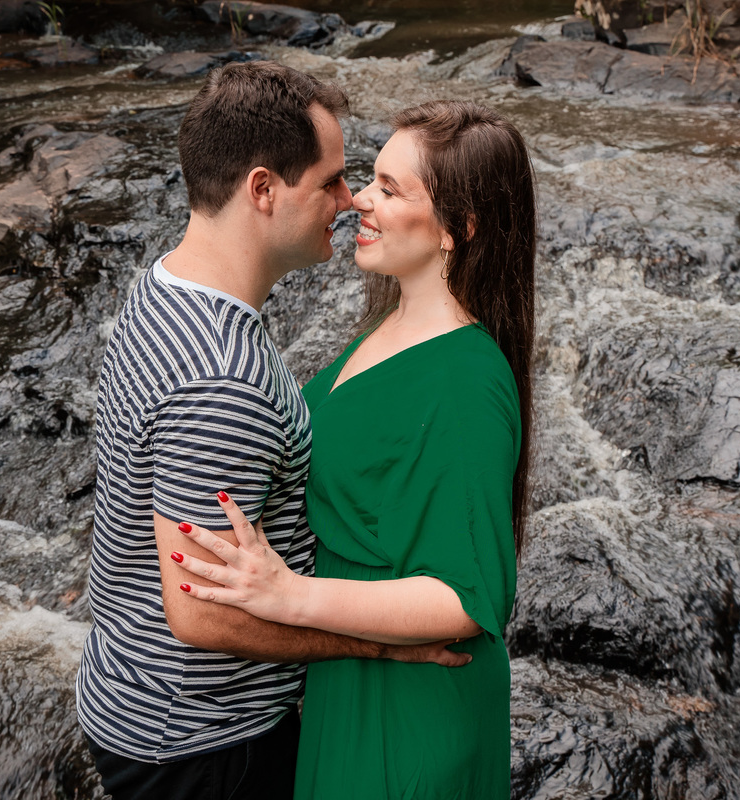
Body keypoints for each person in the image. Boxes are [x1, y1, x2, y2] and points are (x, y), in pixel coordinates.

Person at [75, 63, 469, 800]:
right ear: (262, 189)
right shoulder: (221, 381)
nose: (349, 201)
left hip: (136, 694)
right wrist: (376, 645)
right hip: (203, 742)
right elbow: (201, 614)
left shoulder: (165, 285)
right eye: (330, 182)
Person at [173, 100, 537, 798]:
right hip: (350, 682)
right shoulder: (387, 324)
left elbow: (468, 598)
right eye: (373, 178)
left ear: (458, 228)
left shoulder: (467, 381)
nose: (359, 200)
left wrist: (290, 596)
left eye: (391, 190)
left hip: (412, 714)